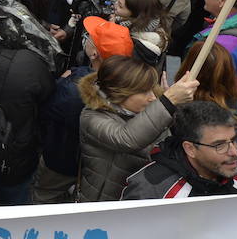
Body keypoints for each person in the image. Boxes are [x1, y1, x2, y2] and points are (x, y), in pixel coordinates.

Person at [76, 56, 198, 202]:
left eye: (152, 90)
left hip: (139, 195)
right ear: (120, 92)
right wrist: (168, 102)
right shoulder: (92, 116)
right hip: (104, 204)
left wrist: (176, 108)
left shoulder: (151, 109)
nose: (153, 98)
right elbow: (126, 139)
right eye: (144, 91)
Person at [122, 101, 237, 199]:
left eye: (234, 140)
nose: (235, 152)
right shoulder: (151, 188)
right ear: (190, 149)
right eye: (219, 145)